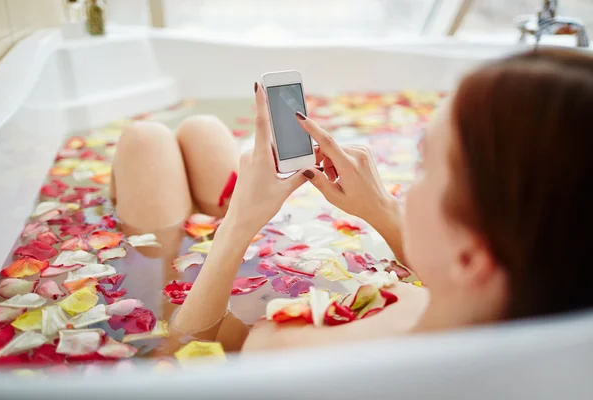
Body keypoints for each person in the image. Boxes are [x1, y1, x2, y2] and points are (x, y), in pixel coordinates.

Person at [112, 47, 593, 353]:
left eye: (424, 168)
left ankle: (167, 251)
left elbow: (184, 355)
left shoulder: (305, 364)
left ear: (470, 255)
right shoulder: (493, 310)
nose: (401, 186)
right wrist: (381, 211)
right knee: (200, 133)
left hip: (203, 315)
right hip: (253, 288)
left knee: (145, 141)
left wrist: (239, 223)